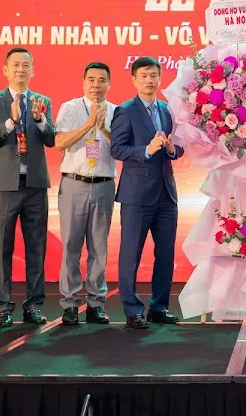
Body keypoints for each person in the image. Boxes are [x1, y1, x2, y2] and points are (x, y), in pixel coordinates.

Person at [0, 47, 56, 327]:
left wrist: (39, 120)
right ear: (5, 69)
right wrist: (12, 121)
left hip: (35, 184)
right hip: (4, 185)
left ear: (33, 70)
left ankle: (33, 305)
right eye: (15, 65)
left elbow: (51, 139)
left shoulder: (42, 101)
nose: (20, 69)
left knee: (36, 248)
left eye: (26, 65)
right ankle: (4, 306)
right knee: (2, 247)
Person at [110, 57, 185, 329]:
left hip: (166, 193)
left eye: (154, 75)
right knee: (131, 254)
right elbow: (117, 149)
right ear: (134, 79)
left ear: (160, 78)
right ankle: (132, 310)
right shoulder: (125, 111)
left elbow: (179, 147)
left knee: (165, 255)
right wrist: (146, 150)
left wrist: (171, 150)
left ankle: (159, 307)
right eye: (144, 75)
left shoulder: (167, 110)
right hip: (136, 196)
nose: (149, 80)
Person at [53, 62, 117, 326]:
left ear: (109, 84)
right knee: (70, 245)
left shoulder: (117, 111)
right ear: (83, 82)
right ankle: (70, 303)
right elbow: (59, 143)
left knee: (99, 247)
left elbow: (121, 147)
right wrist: (88, 124)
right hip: (74, 184)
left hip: (103, 184)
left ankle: (95, 303)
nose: (96, 85)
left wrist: (102, 129)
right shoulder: (70, 108)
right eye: (91, 80)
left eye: (101, 80)